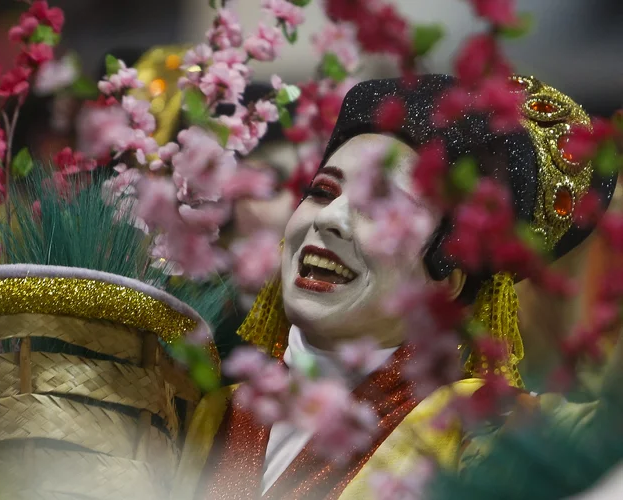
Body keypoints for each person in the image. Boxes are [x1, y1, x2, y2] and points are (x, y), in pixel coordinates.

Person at [170, 74, 618, 499]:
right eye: (323, 192)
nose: (329, 219)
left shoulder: (488, 432)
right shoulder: (200, 413)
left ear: (449, 281)